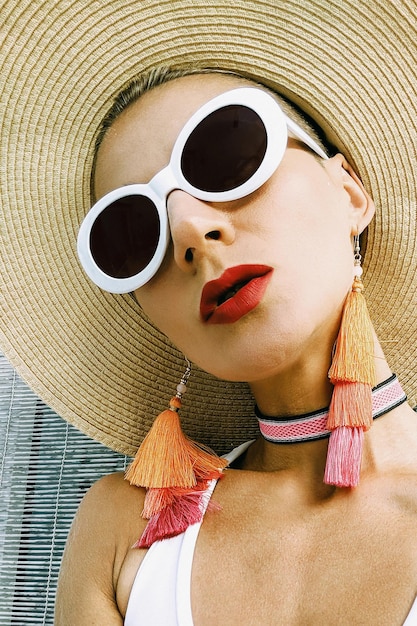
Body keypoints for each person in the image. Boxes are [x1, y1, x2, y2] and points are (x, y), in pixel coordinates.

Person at [1, 1, 416, 624]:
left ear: (350, 193)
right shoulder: (124, 530)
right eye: (134, 233)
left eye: (228, 153)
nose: (191, 230)